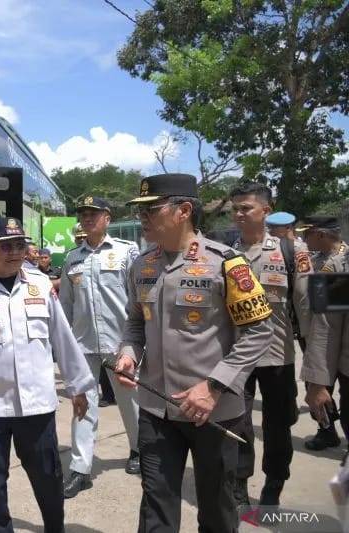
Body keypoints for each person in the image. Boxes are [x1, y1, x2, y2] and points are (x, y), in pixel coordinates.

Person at [113, 173, 273, 532]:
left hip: (214, 413)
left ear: (183, 210)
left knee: (217, 510)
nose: (143, 217)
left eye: (151, 209)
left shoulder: (226, 263)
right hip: (157, 411)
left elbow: (259, 331)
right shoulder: (142, 265)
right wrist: (128, 354)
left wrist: (213, 386)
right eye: (140, 210)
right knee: (156, 506)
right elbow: (135, 323)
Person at [0, 217, 95, 533]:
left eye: (18, 245)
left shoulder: (41, 285)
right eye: (5, 247)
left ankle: (56, 528)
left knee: (49, 476)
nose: (14, 252)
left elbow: (63, 339)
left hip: (37, 405)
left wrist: (79, 387)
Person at [228, 183, 311, 507]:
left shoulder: (292, 251)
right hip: (235, 357)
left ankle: (274, 483)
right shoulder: (224, 253)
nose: (238, 214)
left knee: (278, 427)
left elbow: (305, 309)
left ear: (265, 210)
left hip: (278, 355)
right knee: (238, 425)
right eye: (234, 208)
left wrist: (316, 366)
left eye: (245, 208)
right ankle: (238, 484)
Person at [59, 196, 142, 498]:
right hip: (83, 344)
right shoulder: (72, 259)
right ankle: (81, 469)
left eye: (94, 214)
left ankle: (138, 450)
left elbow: (137, 298)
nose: (88, 218)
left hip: (120, 343)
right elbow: (66, 305)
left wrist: (138, 341)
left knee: (129, 401)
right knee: (82, 405)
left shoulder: (126, 252)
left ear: (107, 217)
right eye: (83, 214)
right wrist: (63, 343)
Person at [299, 215, 348, 451]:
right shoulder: (327, 263)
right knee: (320, 390)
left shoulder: (339, 263)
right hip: (323, 340)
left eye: (307, 234)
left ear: (320, 234)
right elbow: (327, 324)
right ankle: (326, 430)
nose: (304, 239)